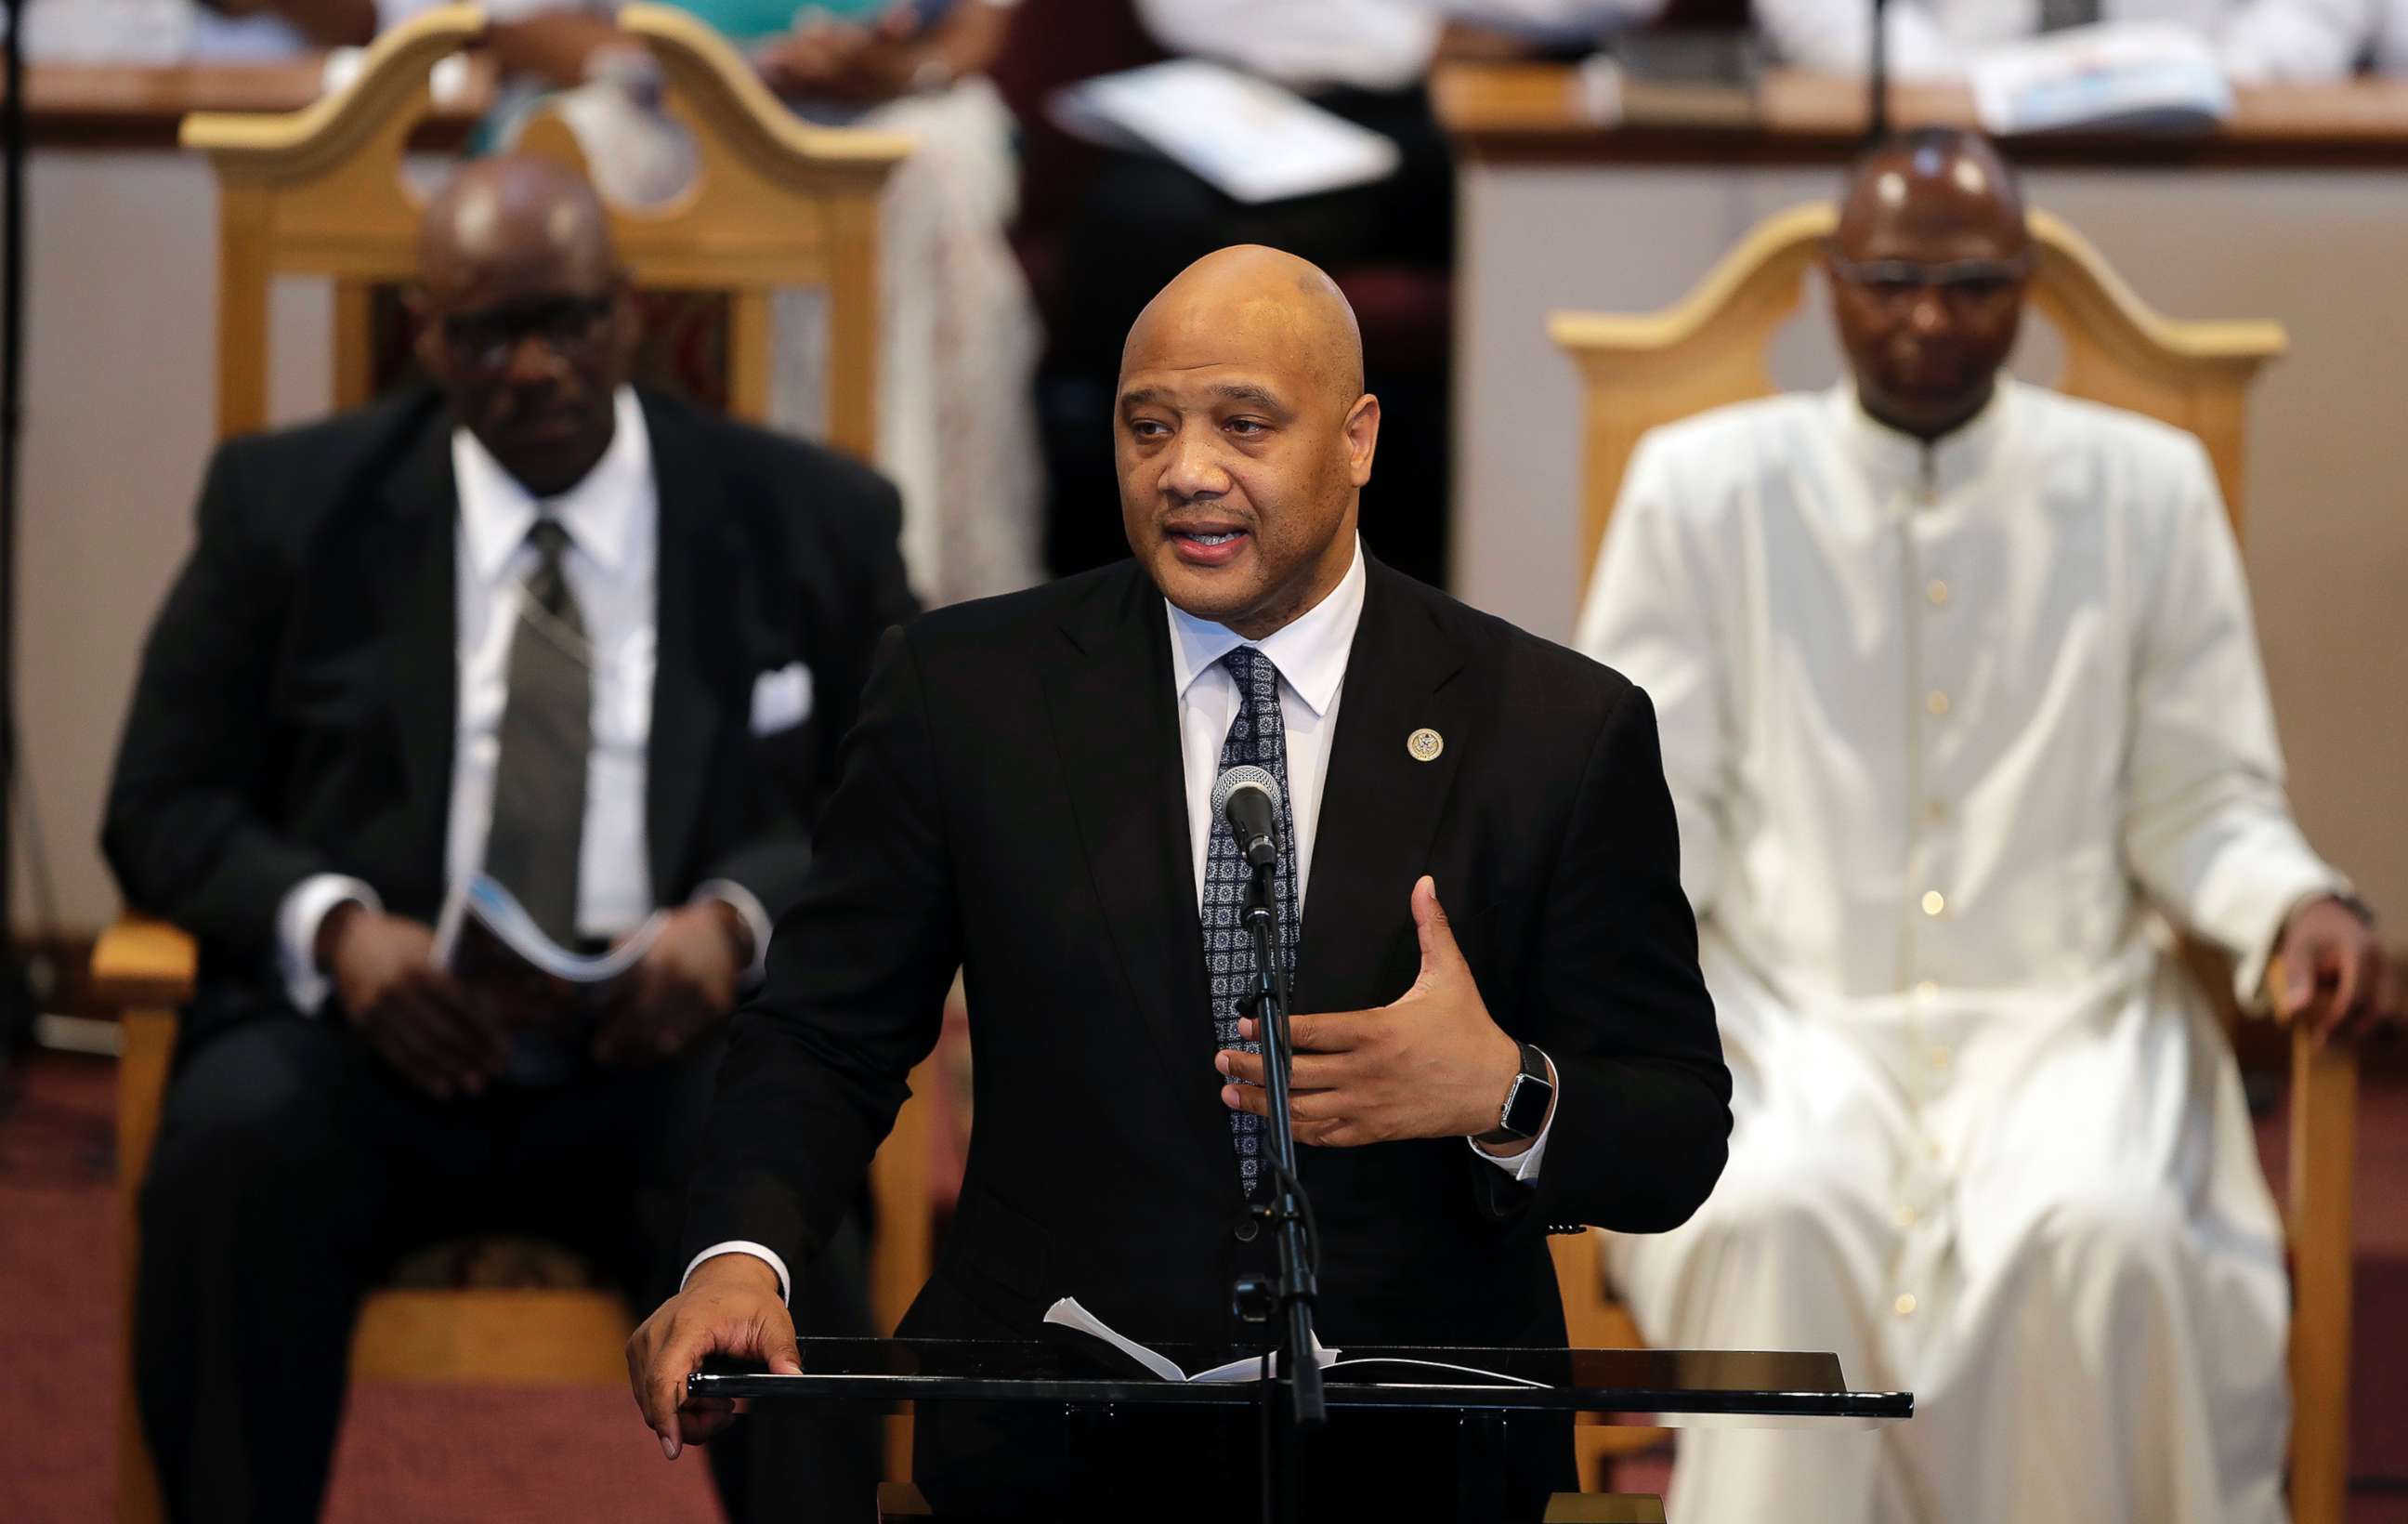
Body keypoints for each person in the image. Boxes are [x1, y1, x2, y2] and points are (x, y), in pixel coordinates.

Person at [626, 244, 1732, 1518]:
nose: (1185, 471)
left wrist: (1505, 1094)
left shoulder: (1553, 729)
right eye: (1147, 426)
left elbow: (1673, 1135)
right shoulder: (966, 693)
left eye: (1243, 425)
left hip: (1420, 1451)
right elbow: (824, 1032)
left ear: (1359, 438)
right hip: (1051, 1434)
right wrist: (736, 1254)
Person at [1576, 127, 2401, 1524]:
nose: (1928, 317)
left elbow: (2204, 800)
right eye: (1891, 278)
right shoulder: (1701, 489)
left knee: (2104, 1232)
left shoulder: (2146, 489)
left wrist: (2298, 905)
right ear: (1834, 282)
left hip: (2066, 1018)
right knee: (1783, 1218)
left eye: (1971, 284)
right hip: (1786, 1014)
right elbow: (1647, 817)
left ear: (2024, 287)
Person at [103, 155, 915, 1524]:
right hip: (374, 1047)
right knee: (229, 1156)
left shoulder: (808, 517)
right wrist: (337, 932)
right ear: (427, 331)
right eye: (486, 331)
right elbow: (159, 802)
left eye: (570, 321)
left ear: (632, 311)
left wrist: (734, 921)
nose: (533, 366)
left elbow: (901, 798)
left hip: (672, 1048)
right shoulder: (289, 509)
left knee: (786, 1182)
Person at [1040, 0, 1662, 585]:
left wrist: (1428, 40)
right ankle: (1121, 560)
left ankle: (1413, 570)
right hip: (1239, 92)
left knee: (1523, 214)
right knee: (1132, 224)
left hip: (1457, 103)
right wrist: (1411, 34)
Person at [480, 0, 1047, 607]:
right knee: (575, 153)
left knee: (932, 171)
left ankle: (912, 592)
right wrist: (704, 72)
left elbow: (975, 28)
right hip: (650, 96)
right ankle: (603, 580)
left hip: (883, 99)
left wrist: (906, 65)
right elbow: (520, 26)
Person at [1754, 0, 2373, 84]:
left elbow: (2319, 13)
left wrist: (2221, 73)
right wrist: (1958, 87)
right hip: (1942, 120)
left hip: (2207, 140)